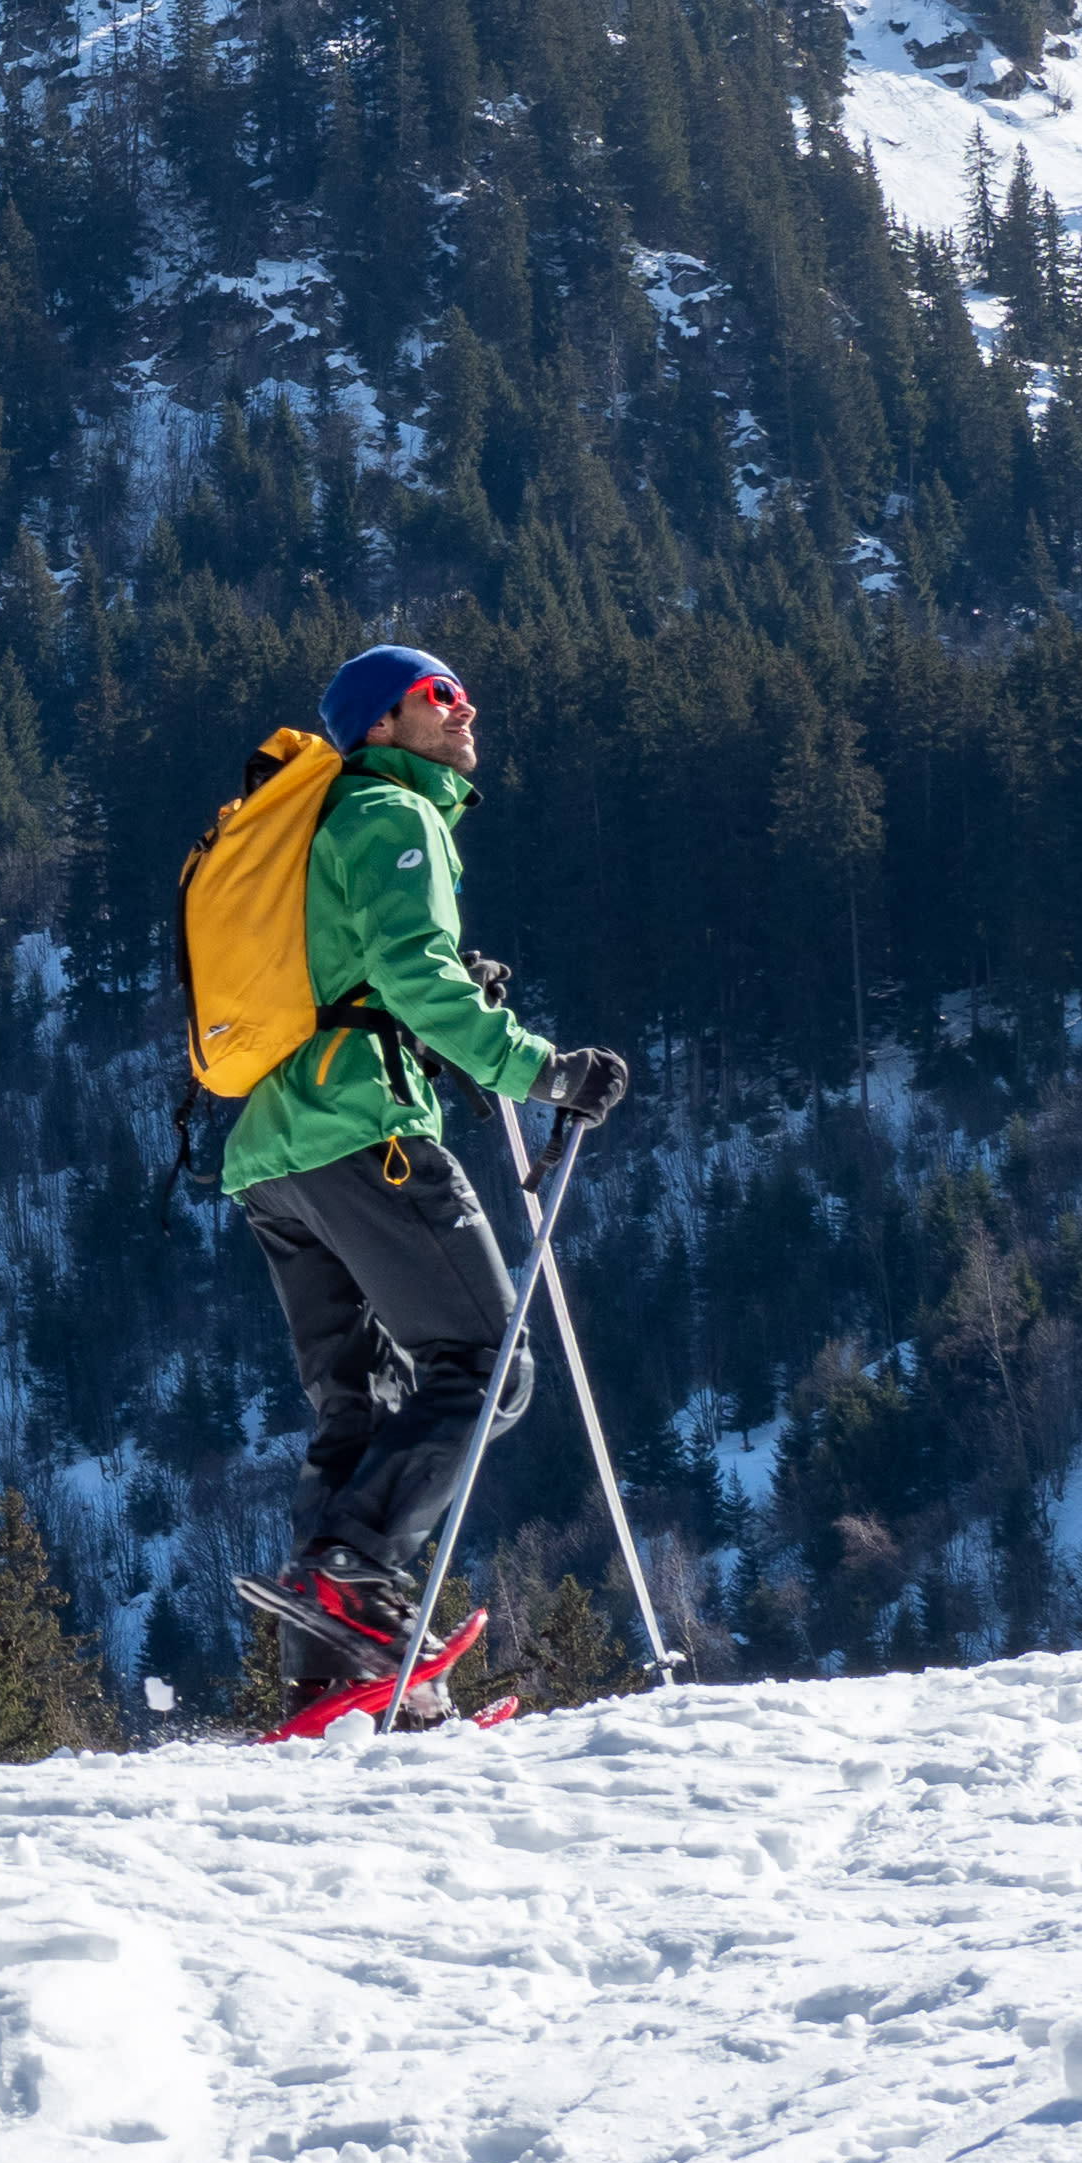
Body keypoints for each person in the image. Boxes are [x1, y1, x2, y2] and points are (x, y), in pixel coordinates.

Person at [227, 647, 632, 1687]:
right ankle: (357, 1572)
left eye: (461, 691)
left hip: (272, 1154)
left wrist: (446, 981)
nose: (465, 708)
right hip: (362, 1131)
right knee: (490, 1366)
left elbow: (359, 964)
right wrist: (542, 1071)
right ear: (380, 725)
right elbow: (414, 978)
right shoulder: (394, 816)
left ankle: (329, 1666)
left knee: (354, 1402)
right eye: (437, 697)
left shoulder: (318, 826)